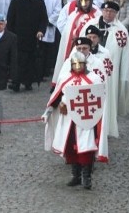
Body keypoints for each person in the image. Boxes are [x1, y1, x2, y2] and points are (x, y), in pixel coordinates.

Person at [43, 51, 106, 190]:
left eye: (80, 64)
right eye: (75, 64)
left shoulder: (94, 79)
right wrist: (51, 110)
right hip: (69, 120)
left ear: (85, 64)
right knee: (71, 147)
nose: (78, 66)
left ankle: (87, 177)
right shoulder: (66, 78)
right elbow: (57, 96)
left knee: (86, 148)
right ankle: (75, 175)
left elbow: (99, 98)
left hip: (86, 120)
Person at [83, 1, 129, 138]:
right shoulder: (90, 26)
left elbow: (125, 55)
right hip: (90, 72)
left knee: (108, 100)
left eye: (111, 11)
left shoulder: (121, 31)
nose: (108, 13)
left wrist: (124, 76)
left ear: (116, 13)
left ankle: (107, 127)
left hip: (111, 75)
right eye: (106, 11)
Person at [6, 0, 48, 90]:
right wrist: (11, 34)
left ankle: (28, 81)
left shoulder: (39, 2)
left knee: (30, 60)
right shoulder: (16, 1)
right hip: (18, 36)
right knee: (18, 60)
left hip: (32, 36)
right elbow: (10, 19)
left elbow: (44, 19)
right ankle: (16, 82)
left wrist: (41, 31)